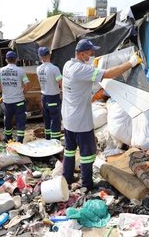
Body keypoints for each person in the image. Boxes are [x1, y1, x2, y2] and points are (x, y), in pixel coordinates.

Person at [62, 39, 141, 189]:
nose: (93, 55)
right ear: (83, 53)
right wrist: (131, 63)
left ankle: (66, 178)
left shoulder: (68, 65)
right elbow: (109, 73)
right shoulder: (81, 70)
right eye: (91, 53)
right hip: (81, 121)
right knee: (87, 154)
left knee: (70, 150)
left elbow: (83, 75)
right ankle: (87, 184)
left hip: (68, 118)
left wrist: (92, 65)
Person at [0, 51, 30, 143]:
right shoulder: (20, 71)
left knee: (7, 119)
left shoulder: (1, 71)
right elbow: (27, 85)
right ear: (16, 59)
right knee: (20, 121)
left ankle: (8, 138)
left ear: (6, 60)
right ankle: (19, 141)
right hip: (19, 101)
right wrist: (23, 92)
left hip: (7, 102)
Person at [36, 47, 62, 140]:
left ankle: (48, 139)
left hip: (44, 97)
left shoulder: (38, 69)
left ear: (40, 57)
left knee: (47, 120)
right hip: (53, 97)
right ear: (49, 55)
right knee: (55, 120)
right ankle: (55, 143)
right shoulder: (54, 69)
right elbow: (61, 83)